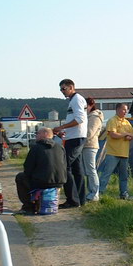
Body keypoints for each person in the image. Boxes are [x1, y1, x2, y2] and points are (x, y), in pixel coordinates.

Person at [15, 127, 67, 214]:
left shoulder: (36, 148)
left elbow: (28, 167)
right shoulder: (60, 147)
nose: (36, 135)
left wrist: (32, 175)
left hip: (42, 182)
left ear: (45, 134)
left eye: (38, 133)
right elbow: (65, 165)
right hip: (59, 181)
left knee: (20, 177)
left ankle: (28, 207)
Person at [53, 79, 87, 208]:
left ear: (71, 87)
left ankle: (72, 199)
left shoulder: (77, 99)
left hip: (76, 138)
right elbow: (75, 119)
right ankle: (79, 199)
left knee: (65, 166)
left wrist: (62, 127)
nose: (62, 91)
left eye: (64, 88)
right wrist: (64, 130)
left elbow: (79, 119)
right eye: (61, 89)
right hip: (73, 137)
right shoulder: (73, 100)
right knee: (77, 169)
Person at [99, 103, 133, 199]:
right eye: (123, 109)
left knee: (124, 176)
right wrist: (125, 134)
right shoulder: (112, 120)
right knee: (107, 174)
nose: (125, 112)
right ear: (117, 109)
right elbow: (113, 135)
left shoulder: (127, 123)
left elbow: (132, 135)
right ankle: (99, 192)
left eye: (126, 110)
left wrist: (127, 136)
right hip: (113, 153)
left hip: (124, 153)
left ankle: (123, 194)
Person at [83, 97, 104, 202]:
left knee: (91, 170)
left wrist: (80, 139)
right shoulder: (89, 116)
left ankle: (94, 194)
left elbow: (89, 133)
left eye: (85, 106)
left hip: (90, 145)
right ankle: (90, 192)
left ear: (90, 105)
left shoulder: (95, 117)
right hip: (85, 146)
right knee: (88, 170)